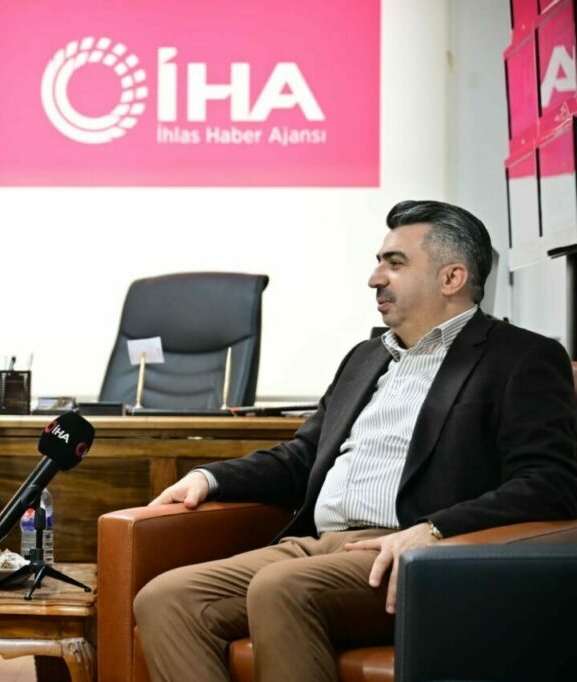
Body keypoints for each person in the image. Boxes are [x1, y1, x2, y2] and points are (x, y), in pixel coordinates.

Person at [134, 200, 577, 682]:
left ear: (452, 278)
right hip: (314, 545)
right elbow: (303, 457)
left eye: (395, 263)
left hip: (407, 553)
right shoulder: (365, 358)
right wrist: (210, 477)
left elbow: (550, 481)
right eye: (378, 261)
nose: (374, 278)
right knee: (165, 599)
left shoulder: (521, 358)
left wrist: (434, 530)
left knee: (281, 587)